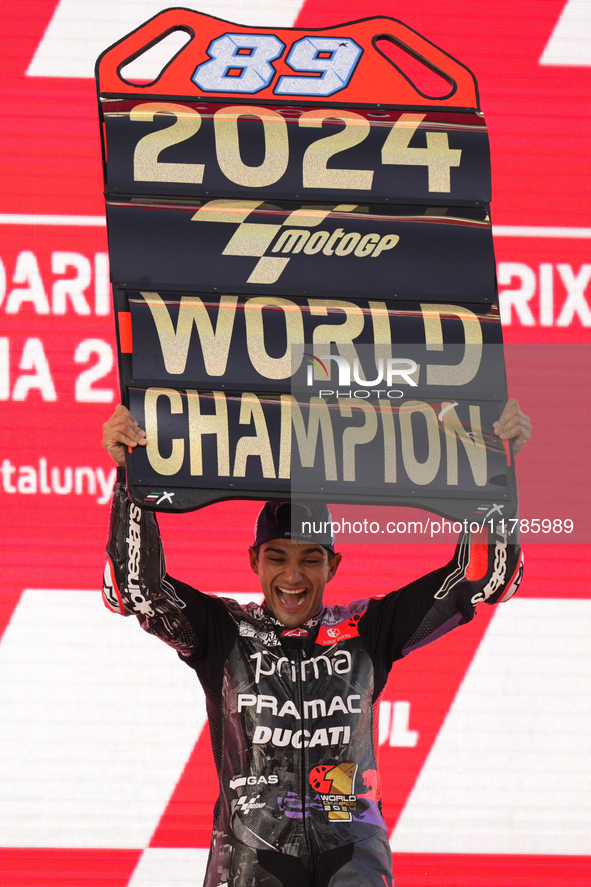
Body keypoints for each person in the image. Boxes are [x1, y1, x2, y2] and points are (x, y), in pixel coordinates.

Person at [101, 400, 531, 887]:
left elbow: (486, 575)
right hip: (251, 855)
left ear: (334, 566)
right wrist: (128, 473)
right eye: (277, 557)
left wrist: (497, 464)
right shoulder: (224, 630)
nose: (292, 576)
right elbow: (133, 586)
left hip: (353, 852)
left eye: (310, 559)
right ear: (254, 561)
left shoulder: (368, 628)